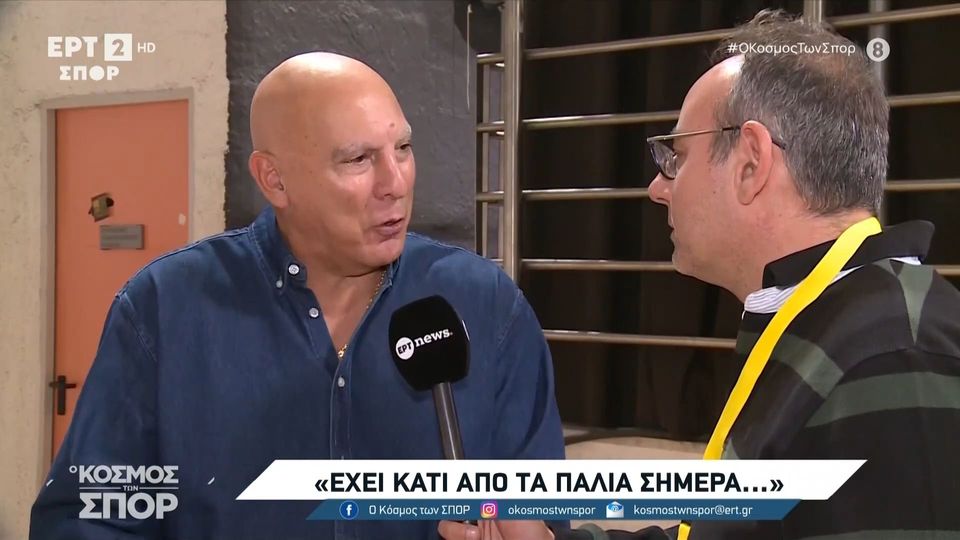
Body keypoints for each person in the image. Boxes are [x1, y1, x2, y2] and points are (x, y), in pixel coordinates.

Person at [439, 9, 960, 540]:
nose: (657, 188)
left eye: (677, 155)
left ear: (751, 162)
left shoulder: (894, 357)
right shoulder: (830, 322)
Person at [30, 52, 566, 540]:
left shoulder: (485, 304)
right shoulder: (166, 309)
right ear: (274, 180)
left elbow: (542, 513)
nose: (395, 183)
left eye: (402, 148)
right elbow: (88, 520)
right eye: (358, 159)